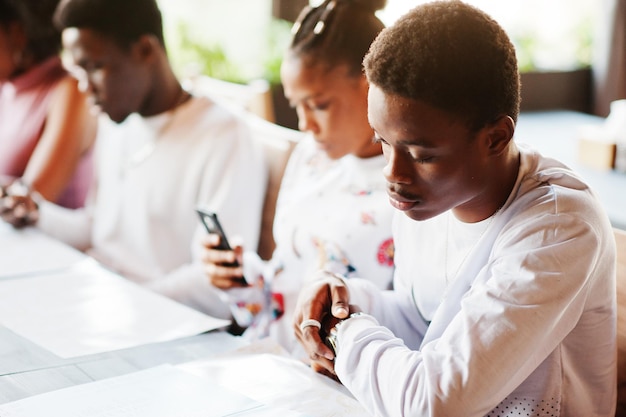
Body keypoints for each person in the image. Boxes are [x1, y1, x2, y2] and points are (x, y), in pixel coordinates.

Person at [293, 2, 617, 416]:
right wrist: (342, 301)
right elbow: (421, 321)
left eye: (422, 155)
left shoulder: (558, 227)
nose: (393, 174)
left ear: (497, 138)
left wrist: (345, 332)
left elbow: (435, 403)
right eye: (382, 141)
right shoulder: (428, 200)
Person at [0, 0, 267, 320]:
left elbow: (217, 283)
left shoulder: (223, 135)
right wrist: (37, 214)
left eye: (95, 67)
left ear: (145, 50)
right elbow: (98, 228)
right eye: (79, 71)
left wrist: (125, 302)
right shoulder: (118, 122)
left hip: (166, 321)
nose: (85, 88)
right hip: (104, 303)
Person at [201, 0, 395, 352]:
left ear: (371, 87)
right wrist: (239, 282)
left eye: (318, 104)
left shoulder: (408, 187)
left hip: (331, 378)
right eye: (296, 106)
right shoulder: (311, 157)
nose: (305, 124)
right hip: (263, 357)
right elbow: (280, 290)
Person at [0, 0, 96, 209]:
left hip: (49, 239)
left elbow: (31, 200)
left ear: (17, 33)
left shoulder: (70, 91)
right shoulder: (6, 89)